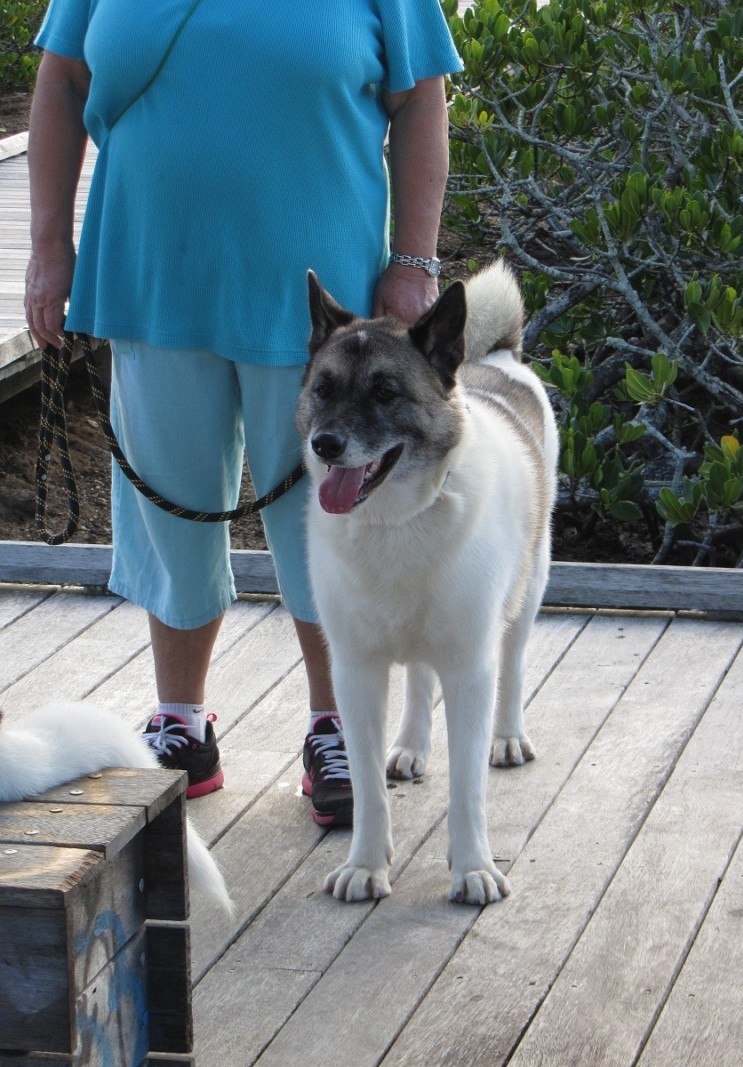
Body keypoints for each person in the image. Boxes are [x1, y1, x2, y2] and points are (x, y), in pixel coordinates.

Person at [24, 0, 462, 825]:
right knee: (167, 500)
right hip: (149, 272)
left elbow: (422, 98)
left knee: (328, 512)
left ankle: (338, 723)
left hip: (318, 304)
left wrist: (413, 260)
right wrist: (50, 247)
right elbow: (62, 80)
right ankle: (180, 722)